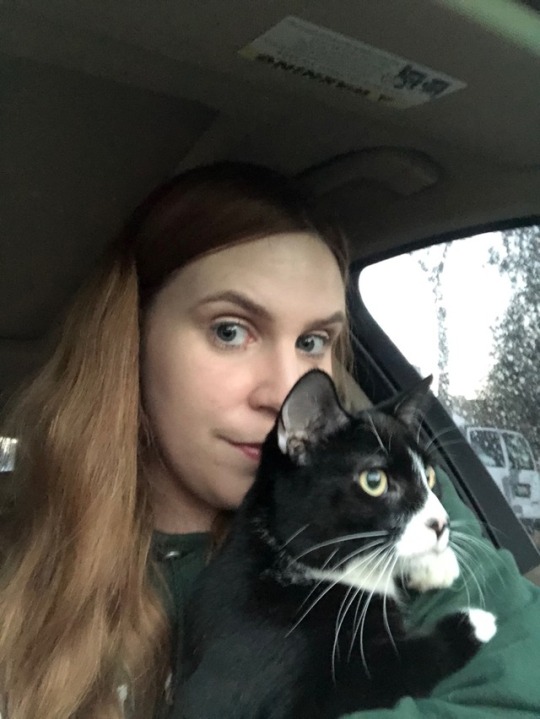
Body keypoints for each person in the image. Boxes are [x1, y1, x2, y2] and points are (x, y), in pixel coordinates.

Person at [0, 162, 538, 719]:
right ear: (131, 340)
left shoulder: (393, 503)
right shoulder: (20, 560)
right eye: (229, 330)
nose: (284, 391)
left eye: (312, 340)